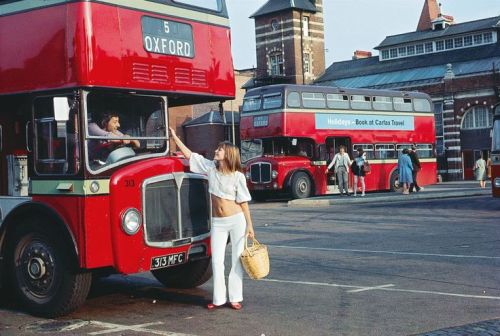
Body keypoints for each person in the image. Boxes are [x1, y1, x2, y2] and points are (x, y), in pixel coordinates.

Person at [169, 127, 254, 311]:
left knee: (237, 259)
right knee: (216, 260)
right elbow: (190, 156)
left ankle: (235, 298)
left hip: (237, 220)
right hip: (218, 222)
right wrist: (175, 138)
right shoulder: (210, 168)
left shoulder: (238, 176)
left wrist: (250, 226)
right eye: (217, 149)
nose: (216, 151)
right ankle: (218, 299)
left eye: (220, 149)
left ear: (228, 154)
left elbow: (244, 202)